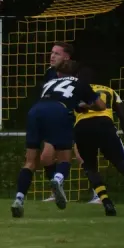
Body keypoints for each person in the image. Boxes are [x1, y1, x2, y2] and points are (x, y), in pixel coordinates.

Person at [11, 60, 105, 217]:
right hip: (58, 112)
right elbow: (101, 106)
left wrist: (75, 104)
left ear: (59, 73)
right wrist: (86, 106)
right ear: (76, 74)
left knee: (30, 161)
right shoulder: (80, 83)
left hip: (36, 111)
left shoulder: (51, 82)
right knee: (64, 158)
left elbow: (57, 96)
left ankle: (19, 199)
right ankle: (57, 178)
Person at [73, 67, 124, 217]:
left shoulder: (74, 90)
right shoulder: (110, 91)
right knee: (123, 164)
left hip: (82, 128)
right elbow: (123, 118)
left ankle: (107, 202)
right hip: (105, 126)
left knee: (90, 168)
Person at [42, 42, 74, 201]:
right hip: (56, 120)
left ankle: (98, 193)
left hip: (75, 118)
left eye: (57, 53)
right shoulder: (49, 73)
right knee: (46, 157)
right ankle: (56, 191)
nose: (52, 56)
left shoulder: (76, 73)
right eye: (52, 52)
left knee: (82, 157)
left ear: (66, 57)